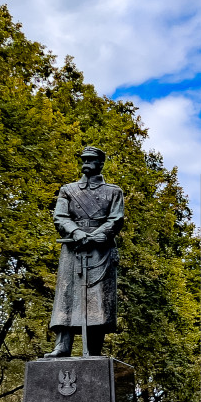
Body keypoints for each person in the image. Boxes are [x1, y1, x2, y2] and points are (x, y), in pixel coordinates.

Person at [44, 147, 125, 358]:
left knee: (97, 297)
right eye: (84, 159)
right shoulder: (68, 190)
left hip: (100, 250)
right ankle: (63, 345)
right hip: (73, 247)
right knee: (67, 295)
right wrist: (77, 232)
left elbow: (116, 218)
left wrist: (98, 234)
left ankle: (94, 348)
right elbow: (60, 217)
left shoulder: (113, 191)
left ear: (101, 163)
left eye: (91, 159)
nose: (86, 162)